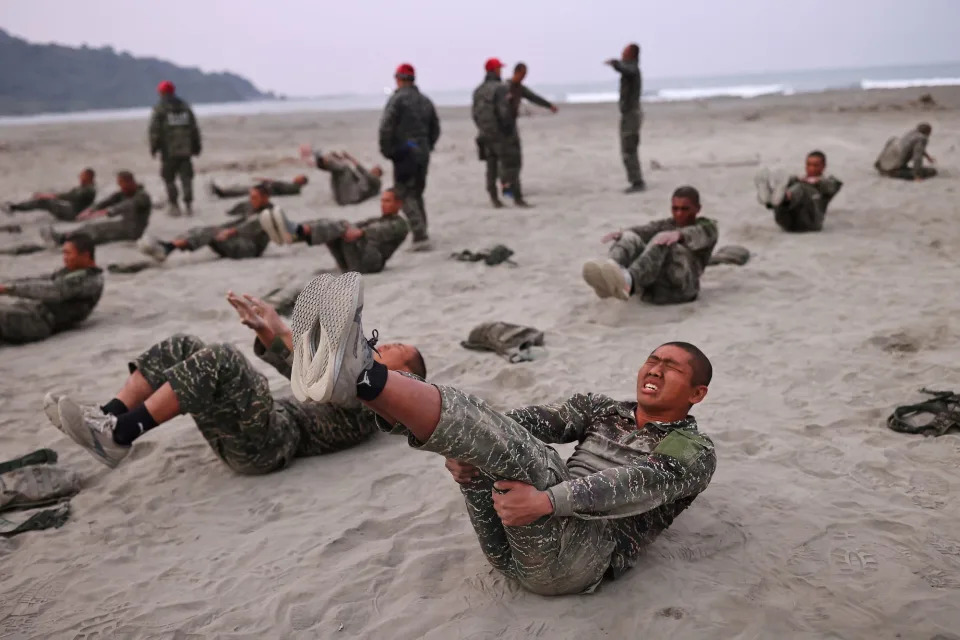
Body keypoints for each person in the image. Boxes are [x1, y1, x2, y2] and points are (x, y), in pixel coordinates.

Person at [281, 272, 715, 595]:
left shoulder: (692, 448)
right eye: (652, 359)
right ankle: (358, 382)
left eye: (671, 366)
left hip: (578, 556)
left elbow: (639, 485)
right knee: (493, 439)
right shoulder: (601, 407)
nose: (655, 368)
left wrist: (549, 500)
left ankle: (364, 376)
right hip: (510, 540)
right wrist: (466, 447)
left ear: (698, 393)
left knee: (534, 459)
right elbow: (522, 423)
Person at [48, 292, 427, 473]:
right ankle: (107, 417)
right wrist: (269, 330)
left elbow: (318, 378)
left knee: (222, 359)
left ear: (405, 374)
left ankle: (120, 435)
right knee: (186, 345)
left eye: (397, 348)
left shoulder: (375, 405)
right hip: (255, 431)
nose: (388, 342)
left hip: (269, 445)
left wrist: (279, 329)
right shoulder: (355, 379)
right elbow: (303, 370)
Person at [582, 186, 717, 304]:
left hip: (682, 290)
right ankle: (611, 273)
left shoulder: (707, 227)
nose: (679, 213)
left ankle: (629, 282)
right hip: (654, 290)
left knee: (662, 239)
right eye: (675, 208)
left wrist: (679, 235)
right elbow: (646, 229)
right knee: (629, 237)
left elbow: (699, 234)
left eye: (685, 209)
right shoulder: (669, 224)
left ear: (697, 209)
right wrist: (623, 233)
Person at [269, 188, 409, 274]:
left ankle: (295, 232)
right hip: (354, 261)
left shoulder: (400, 224)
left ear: (398, 204)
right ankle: (292, 232)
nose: (383, 205)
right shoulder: (378, 219)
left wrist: (361, 232)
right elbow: (354, 226)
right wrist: (347, 228)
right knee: (334, 225)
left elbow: (380, 231)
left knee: (339, 226)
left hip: (369, 264)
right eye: (382, 201)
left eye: (387, 201)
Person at [379, 63, 440, 251]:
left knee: (404, 193)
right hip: (422, 153)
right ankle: (422, 230)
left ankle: (420, 235)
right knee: (417, 193)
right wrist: (427, 146)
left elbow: (386, 127)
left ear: (398, 79)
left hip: (405, 153)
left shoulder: (397, 100)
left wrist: (388, 151)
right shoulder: (425, 100)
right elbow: (435, 128)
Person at [0, 233, 103, 344]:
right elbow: (42, 280)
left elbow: (52, 290)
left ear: (85, 255)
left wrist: (8, 289)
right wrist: (8, 284)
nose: (65, 258)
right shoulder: (74, 271)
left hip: (39, 321)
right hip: (31, 313)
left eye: (68, 253)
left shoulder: (91, 281)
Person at [138, 184, 276, 262]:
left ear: (265, 197)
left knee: (211, 232)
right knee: (203, 229)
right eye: (251, 197)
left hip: (249, 250)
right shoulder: (255, 208)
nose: (251, 200)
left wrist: (226, 232)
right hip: (240, 244)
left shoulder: (270, 213)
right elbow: (238, 222)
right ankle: (170, 245)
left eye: (255, 197)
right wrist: (221, 228)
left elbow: (247, 226)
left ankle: (168, 248)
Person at [39, 171, 152, 247]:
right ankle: (64, 237)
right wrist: (91, 209)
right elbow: (108, 200)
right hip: (124, 226)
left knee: (95, 232)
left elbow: (128, 205)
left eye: (121, 184)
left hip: (133, 232)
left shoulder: (142, 196)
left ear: (130, 182)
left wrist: (109, 211)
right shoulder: (124, 193)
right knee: (90, 227)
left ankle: (63, 240)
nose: (120, 187)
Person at [501, 62, 558, 207]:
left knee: (516, 158)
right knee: (506, 159)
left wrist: (549, 105)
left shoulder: (520, 88)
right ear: (517, 72)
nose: (524, 77)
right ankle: (507, 187)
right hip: (501, 127)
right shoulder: (504, 87)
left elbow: (533, 97)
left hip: (512, 126)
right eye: (523, 74)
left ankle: (511, 185)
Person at [755, 151, 843, 232]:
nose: (811, 168)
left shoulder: (829, 183)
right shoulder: (797, 180)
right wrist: (796, 179)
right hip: (787, 222)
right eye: (809, 165)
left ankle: (782, 199)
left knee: (800, 188)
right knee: (788, 184)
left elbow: (832, 186)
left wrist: (817, 182)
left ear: (823, 166)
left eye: (815, 165)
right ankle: (771, 198)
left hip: (811, 223)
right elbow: (788, 180)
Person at [149, 80, 202, 217]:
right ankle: (188, 205)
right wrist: (196, 147)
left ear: (161, 92)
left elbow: (154, 130)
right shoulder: (185, 107)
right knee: (186, 178)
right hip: (185, 150)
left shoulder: (160, 109)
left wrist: (154, 147)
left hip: (169, 151)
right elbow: (194, 129)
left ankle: (174, 205)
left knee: (169, 178)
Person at [472, 58, 512, 208]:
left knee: (490, 165)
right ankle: (509, 190)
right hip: (498, 132)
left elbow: (474, 113)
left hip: (484, 132)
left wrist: (482, 127)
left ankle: (493, 195)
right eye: (499, 68)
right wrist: (508, 128)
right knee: (505, 162)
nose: (501, 71)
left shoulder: (478, 90)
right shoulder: (500, 88)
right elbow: (504, 112)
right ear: (495, 70)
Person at [606, 43, 645, 193]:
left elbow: (627, 69)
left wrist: (615, 64)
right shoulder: (630, 68)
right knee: (629, 148)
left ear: (632, 54)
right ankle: (636, 180)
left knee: (629, 148)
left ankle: (637, 181)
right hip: (629, 114)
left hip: (631, 114)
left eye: (625, 51)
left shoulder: (633, 68)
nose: (622, 52)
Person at [299, 146, 383, 206]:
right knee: (338, 171)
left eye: (375, 170)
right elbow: (354, 176)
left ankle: (321, 159)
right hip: (344, 197)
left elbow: (362, 171)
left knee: (344, 168)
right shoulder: (367, 183)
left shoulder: (377, 182)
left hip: (350, 198)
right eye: (373, 169)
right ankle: (320, 161)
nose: (372, 170)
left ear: (379, 174)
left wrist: (350, 158)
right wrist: (340, 159)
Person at [2, 168, 97, 222]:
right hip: (72, 211)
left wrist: (47, 195)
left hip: (73, 214)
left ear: (88, 177)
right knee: (44, 201)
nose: (79, 177)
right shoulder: (84, 187)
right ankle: (15, 207)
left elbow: (68, 197)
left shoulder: (89, 190)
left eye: (82, 176)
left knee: (44, 202)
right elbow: (69, 195)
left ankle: (13, 208)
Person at [211, 176, 309, 200]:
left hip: (267, 191)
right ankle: (223, 192)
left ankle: (222, 193)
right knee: (242, 190)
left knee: (243, 191)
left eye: (298, 177)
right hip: (267, 189)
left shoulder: (294, 188)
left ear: (301, 181)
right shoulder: (294, 187)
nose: (295, 177)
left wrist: (268, 182)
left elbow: (279, 186)